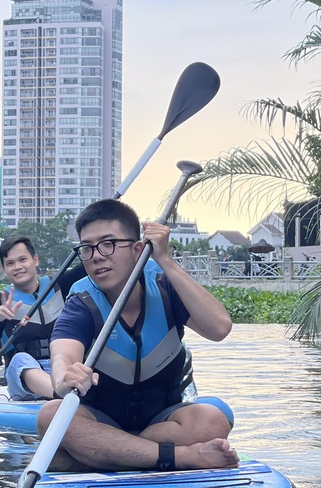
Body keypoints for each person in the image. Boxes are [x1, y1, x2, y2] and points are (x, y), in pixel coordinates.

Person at [39, 198, 237, 472]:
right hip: (102, 420)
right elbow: (62, 354)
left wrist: (165, 259)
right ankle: (180, 458)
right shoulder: (82, 303)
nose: (96, 256)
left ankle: (105, 454)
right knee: (51, 416)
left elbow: (219, 328)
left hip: (161, 423)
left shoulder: (165, 287)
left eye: (108, 244)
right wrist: (64, 379)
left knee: (213, 420)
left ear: (137, 249)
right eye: (86, 248)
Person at [0, 236, 84, 400]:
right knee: (20, 360)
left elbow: (88, 265)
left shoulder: (61, 285)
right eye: (10, 263)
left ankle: (73, 392)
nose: (17, 267)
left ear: (35, 260)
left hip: (63, 369)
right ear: (4, 269)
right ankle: (62, 395)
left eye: (22, 260)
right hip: (24, 381)